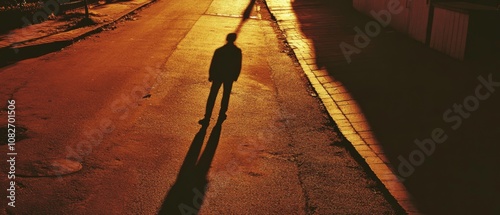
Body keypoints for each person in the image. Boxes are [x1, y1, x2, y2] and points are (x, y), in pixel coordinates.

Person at [199, 33, 242, 126]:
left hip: (218, 75)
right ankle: (222, 113)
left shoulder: (219, 50)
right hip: (229, 76)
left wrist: (211, 75)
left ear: (226, 39)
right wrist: (235, 76)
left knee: (212, 96)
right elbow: (238, 65)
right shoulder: (237, 51)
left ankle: (207, 117)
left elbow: (213, 63)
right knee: (226, 95)